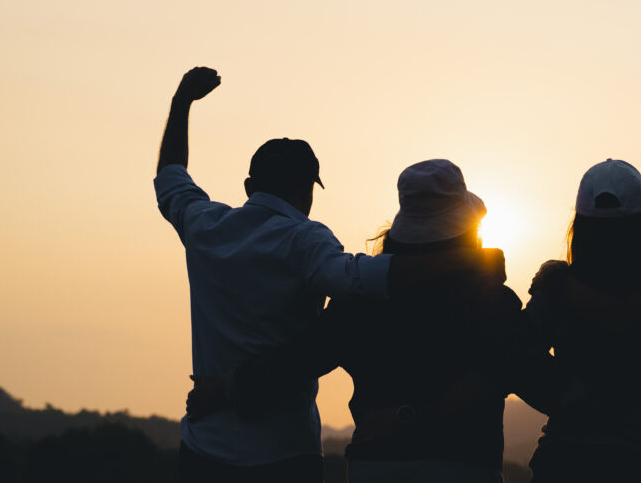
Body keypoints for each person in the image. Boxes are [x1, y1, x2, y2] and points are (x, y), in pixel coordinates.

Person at [155, 70, 504, 482]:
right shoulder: (306, 240)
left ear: (249, 185)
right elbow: (357, 279)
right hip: (284, 453)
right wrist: (469, 262)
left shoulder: (203, 225)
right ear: (308, 190)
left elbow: (170, 175)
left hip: (203, 447)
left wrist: (182, 101)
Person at [187, 158, 563, 483]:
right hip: (463, 466)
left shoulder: (363, 301)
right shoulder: (490, 300)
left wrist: (222, 390)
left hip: (375, 466)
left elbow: (297, 359)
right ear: (468, 229)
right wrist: (549, 304)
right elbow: (538, 382)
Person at [524, 159, 641, 483]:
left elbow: (516, 357)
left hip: (565, 459)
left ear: (580, 228)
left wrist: (567, 399)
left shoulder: (556, 288)